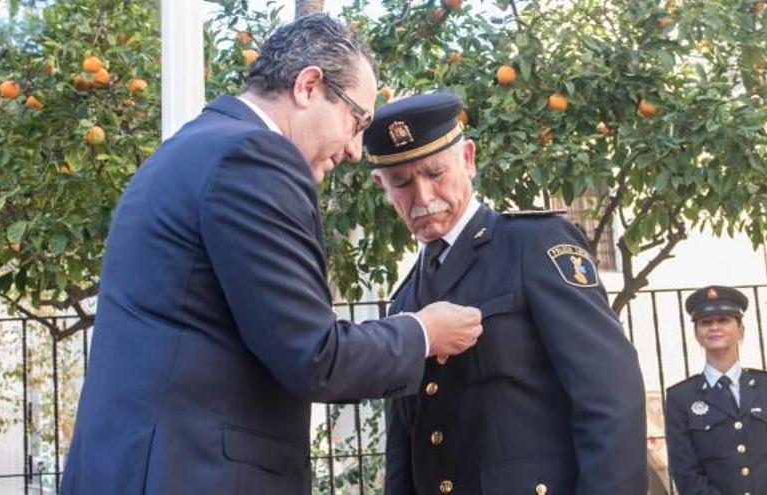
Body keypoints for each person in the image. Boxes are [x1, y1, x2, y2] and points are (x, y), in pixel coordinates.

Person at [61, 15, 483, 495]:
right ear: (308, 86)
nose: (353, 149)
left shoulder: (190, 149)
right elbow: (315, 356)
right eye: (356, 121)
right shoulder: (253, 158)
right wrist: (423, 332)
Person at [364, 92, 647, 495]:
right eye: (402, 182)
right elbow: (404, 448)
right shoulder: (405, 301)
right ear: (382, 186)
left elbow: (609, 395)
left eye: (435, 173)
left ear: (468, 158)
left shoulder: (532, 245)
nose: (423, 197)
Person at [665, 286, 767, 495]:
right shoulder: (681, 398)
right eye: (705, 323)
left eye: (723, 320)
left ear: (740, 329)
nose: (714, 327)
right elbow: (685, 472)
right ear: (697, 334)